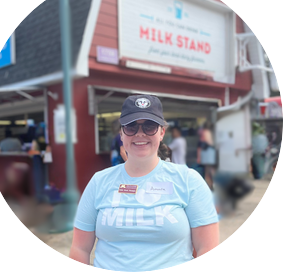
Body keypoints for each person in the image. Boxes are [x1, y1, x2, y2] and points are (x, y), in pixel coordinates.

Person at [70, 94, 219, 271]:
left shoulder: (189, 180)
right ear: (122, 134)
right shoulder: (99, 181)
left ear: (162, 132)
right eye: (131, 126)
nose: (140, 133)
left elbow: (207, 250)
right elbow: (79, 248)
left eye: (149, 126)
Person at [197, 121, 216, 190]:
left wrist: (199, 157)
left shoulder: (205, 132)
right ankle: (211, 185)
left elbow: (203, 144)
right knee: (210, 170)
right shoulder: (211, 133)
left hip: (207, 154)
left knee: (208, 171)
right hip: (210, 153)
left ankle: (209, 185)